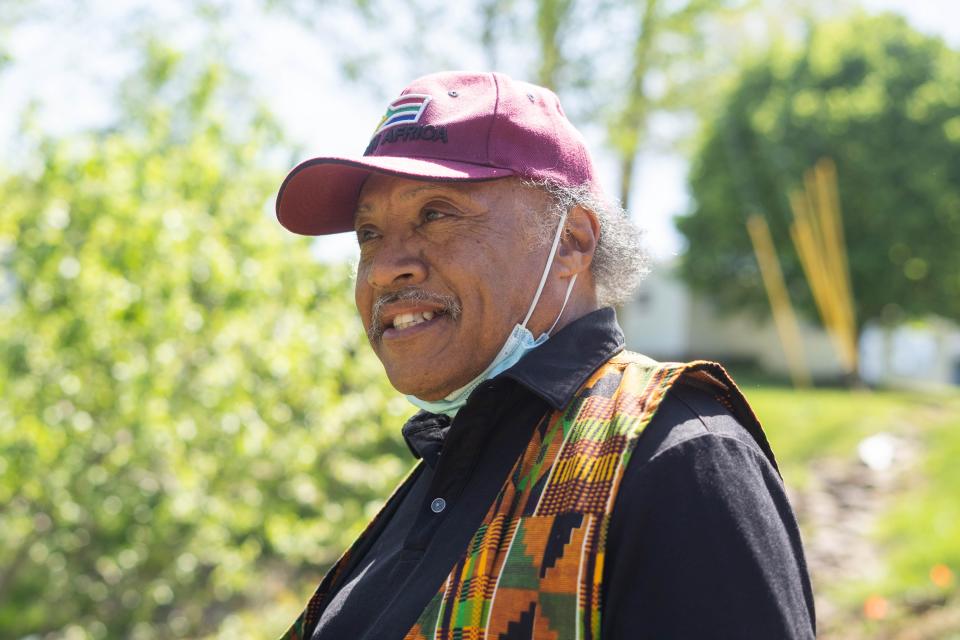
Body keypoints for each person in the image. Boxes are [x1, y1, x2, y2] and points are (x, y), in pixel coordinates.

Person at [273, 71, 815, 640]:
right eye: (368, 233)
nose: (385, 268)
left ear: (573, 240)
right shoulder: (450, 461)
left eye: (435, 213)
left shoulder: (679, 459)